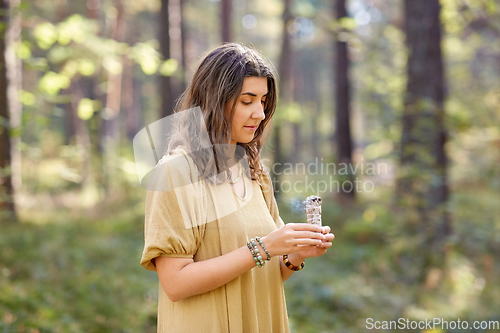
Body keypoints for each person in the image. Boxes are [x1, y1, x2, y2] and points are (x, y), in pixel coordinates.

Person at [140, 42, 335, 333]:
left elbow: (262, 273)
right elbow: (175, 283)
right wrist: (265, 247)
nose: (259, 113)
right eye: (247, 100)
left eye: (263, 101)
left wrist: (296, 255)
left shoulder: (256, 172)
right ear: (214, 101)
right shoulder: (174, 174)